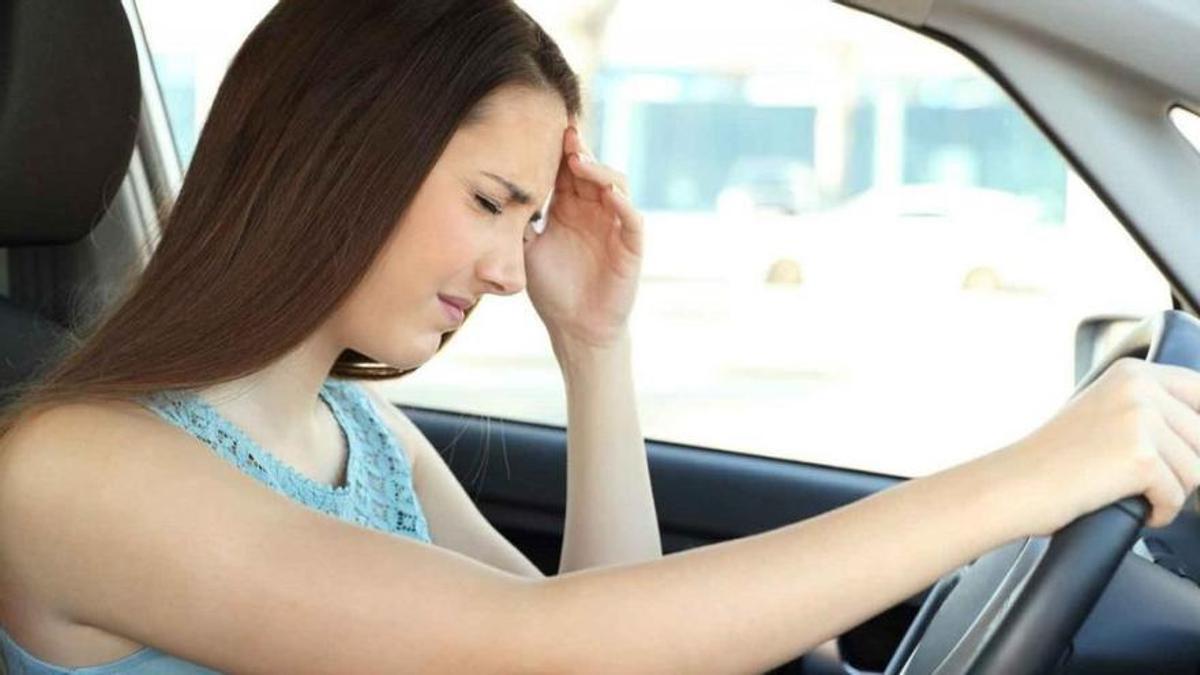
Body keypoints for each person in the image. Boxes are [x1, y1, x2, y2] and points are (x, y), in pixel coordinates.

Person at [0, 0, 1196, 672]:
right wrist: (1027, 480)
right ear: (338, 156)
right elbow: (545, 651)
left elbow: (603, 650)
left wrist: (596, 341)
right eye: (487, 204)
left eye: (528, 225)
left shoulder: (361, 435)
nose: (507, 271)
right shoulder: (78, 471)